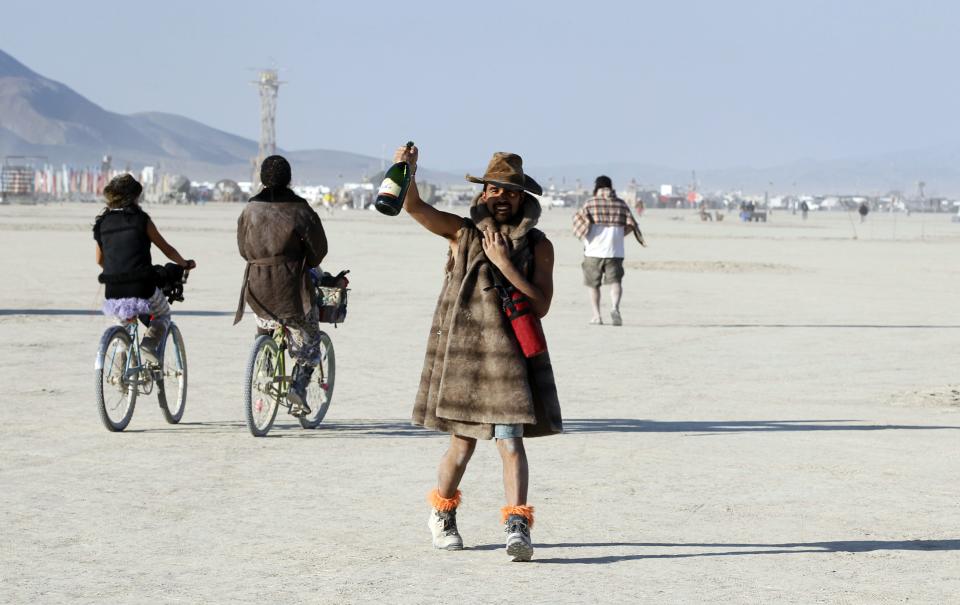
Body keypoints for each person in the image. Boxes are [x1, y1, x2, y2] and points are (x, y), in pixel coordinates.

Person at [398, 145, 563, 562]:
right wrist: (406, 168)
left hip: (509, 361)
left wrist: (505, 265)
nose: (501, 197)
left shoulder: (539, 245)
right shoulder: (462, 232)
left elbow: (541, 305)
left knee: (511, 443)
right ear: (483, 194)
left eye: (510, 191)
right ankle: (442, 512)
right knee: (462, 446)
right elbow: (414, 206)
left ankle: (517, 525)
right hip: (466, 359)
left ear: (523, 197)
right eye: (493, 189)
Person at [234, 156, 328, 413]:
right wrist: (304, 262)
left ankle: (263, 358)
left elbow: (243, 249)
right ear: (289, 178)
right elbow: (319, 250)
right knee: (310, 338)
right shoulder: (300, 209)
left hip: (258, 286)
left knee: (265, 320)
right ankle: (298, 388)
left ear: (262, 179)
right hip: (292, 288)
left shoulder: (250, 210)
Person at [94, 174, 196, 363]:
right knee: (163, 314)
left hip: (114, 288)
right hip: (142, 287)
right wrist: (184, 263)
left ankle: (119, 369)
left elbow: (99, 259)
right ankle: (148, 346)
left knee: (122, 326)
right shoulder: (141, 220)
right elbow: (167, 249)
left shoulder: (102, 223)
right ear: (133, 197)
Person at [572, 176, 645, 326]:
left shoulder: (590, 203)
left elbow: (578, 220)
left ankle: (597, 316)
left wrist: (585, 233)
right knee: (616, 282)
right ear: (611, 187)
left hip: (593, 251)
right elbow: (632, 223)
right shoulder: (621, 204)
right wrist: (620, 234)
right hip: (615, 251)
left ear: (596, 187)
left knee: (593, 285)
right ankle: (615, 307)